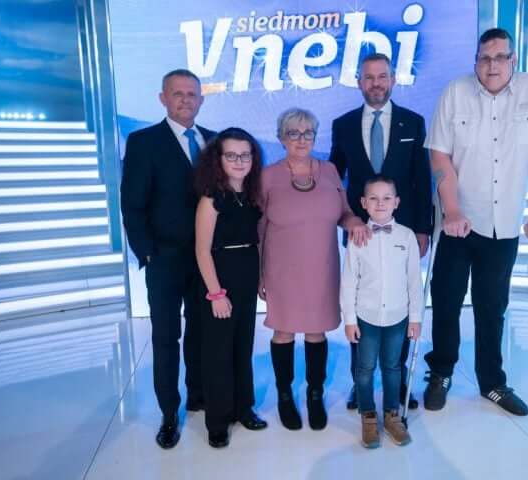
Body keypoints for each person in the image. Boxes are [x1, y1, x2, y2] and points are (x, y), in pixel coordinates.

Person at [422, 28, 528, 416]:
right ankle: (441, 373)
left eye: (500, 57)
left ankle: (492, 382)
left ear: (513, 60)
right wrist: (451, 210)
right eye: (485, 58)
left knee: (492, 306)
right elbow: (439, 156)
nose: (492, 65)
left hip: (505, 223)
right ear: (476, 61)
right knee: (446, 301)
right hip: (458, 222)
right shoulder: (455, 93)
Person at [330, 52, 431, 411]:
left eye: (382, 76)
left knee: (398, 298)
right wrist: (345, 218)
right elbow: (334, 179)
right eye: (369, 77)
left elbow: (422, 179)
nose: (376, 83)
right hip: (361, 230)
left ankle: (397, 381)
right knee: (363, 299)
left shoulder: (413, 122)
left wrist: (423, 229)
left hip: (403, 230)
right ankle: (361, 382)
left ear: (393, 80)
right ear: (359, 82)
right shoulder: (343, 125)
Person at [260, 108, 370, 431]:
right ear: (281, 138)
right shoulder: (267, 176)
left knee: (316, 331)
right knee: (283, 331)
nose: (301, 139)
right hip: (281, 269)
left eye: (308, 133)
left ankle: (315, 393)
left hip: (322, 267)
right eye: (293, 133)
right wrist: (258, 274)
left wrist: (355, 223)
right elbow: (258, 227)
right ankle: (284, 395)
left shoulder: (330, 171)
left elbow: (344, 213)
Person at [120, 69, 214, 448]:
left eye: (192, 94)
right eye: (178, 93)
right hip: (164, 258)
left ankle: (198, 395)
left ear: (201, 99)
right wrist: (146, 253)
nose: (185, 100)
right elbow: (132, 204)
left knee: (201, 331)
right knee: (165, 336)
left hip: (207, 259)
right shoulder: (143, 142)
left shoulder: (215, 141)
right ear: (163, 98)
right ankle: (169, 412)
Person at [193, 128, 268, 448]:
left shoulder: (251, 196)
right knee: (218, 352)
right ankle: (218, 421)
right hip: (219, 279)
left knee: (242, 346)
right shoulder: (211, 199)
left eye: (245, 155)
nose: (239, 161)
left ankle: (243, 408)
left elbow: (257, 241)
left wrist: (261, 277)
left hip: (246, 276)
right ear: (218, 159)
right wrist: (216, 294)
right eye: (231, 155)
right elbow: (201, 250)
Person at [341, 176, 423, 449]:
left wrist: (415, 318)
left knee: (392, 367)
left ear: (396, 202)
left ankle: (391, 414)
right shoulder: (357, 238)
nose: (380, 203)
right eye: (373, 198)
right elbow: (349, 281)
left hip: (398, 317)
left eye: (387, 198)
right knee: (365, 368)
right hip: (366, 316)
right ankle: (367, 415)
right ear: (363, 203)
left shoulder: (407, 236)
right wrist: (350, 320)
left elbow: (414, 280)